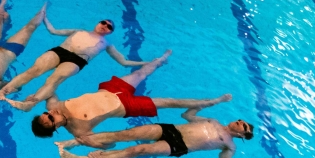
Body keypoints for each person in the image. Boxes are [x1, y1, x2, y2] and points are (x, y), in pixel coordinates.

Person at [18, 52, 227, 137]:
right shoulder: (79, 131)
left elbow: (51, 88)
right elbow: (108, 140)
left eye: (46, 115)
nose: (50, 113)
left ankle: (161, 59)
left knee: (141, 72)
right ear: (55, 127)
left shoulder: (54, 106)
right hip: (126, 106)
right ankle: (210, 102)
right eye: (50, 118)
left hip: (110, 90)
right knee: (167, 101)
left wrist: (34, 98)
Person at [0, 7, 154, 107]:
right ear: (98, 23)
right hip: (60, 51)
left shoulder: (107, 44)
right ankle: (3, 91)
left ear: (110, 32)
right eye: (103, 23)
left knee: (54, 80)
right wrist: (44, 15)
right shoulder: (78, 30)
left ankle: (31, 102)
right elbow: (53, 31)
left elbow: (123, 62)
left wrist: (147, 62)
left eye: (109, 27)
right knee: (33, 71)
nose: (104, 26)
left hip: (77, 60)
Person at [58, 111, 257, 158]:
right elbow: (187, 115)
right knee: (124, 134)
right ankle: (74, 141)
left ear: (243, 135)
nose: (239, 123)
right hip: (172, 129)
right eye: (240, 120)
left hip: (179, 146)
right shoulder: (212, 120)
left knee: (139, 149)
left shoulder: (230, 145)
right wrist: (199, 106)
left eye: (243, 126)